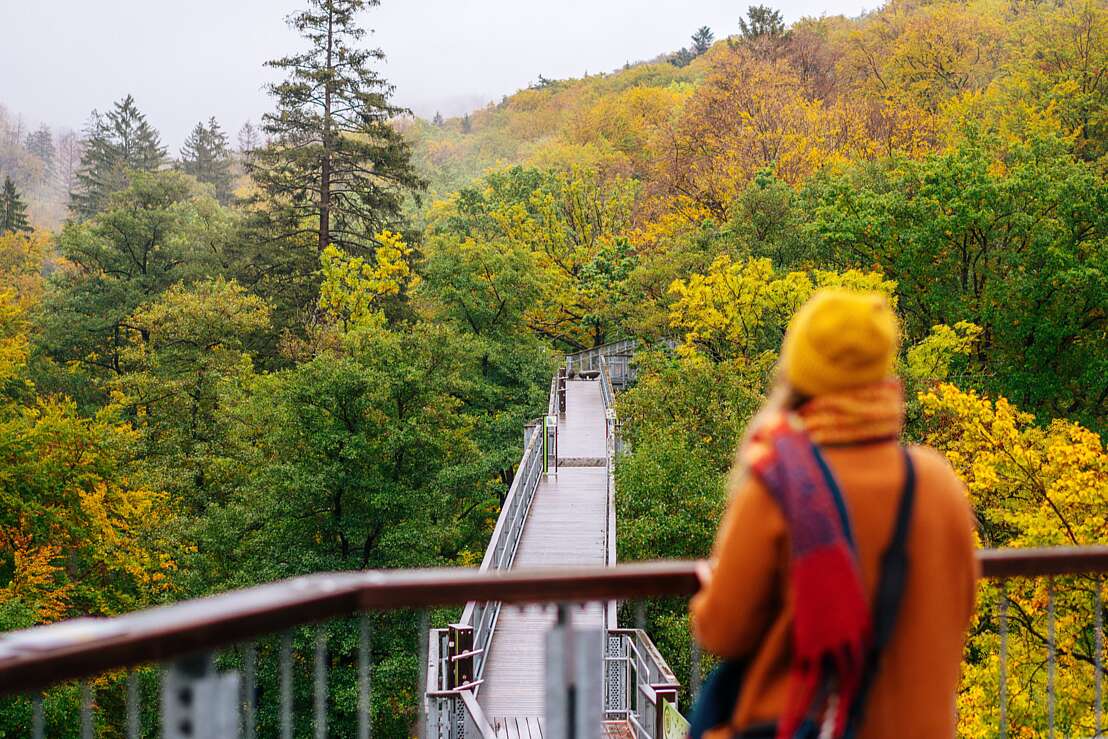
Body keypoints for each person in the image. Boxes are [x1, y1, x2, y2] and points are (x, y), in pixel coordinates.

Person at [689, 289, 978, 739]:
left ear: (799, 369)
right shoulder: (937, 483)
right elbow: (962, 604)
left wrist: (712, 588)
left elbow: (721, 632)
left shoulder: (779, 483)